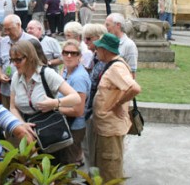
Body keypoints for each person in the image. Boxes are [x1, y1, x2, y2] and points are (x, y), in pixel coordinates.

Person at [9, 40, 81, 165]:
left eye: (18, 60)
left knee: (57, 173)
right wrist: (22, 124)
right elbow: (13, 107)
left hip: (52, 134)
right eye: (12, 60)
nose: (15, 64)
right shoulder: (16, 76)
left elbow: (76, 98)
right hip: (29, 136)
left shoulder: (46, 73)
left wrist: (55, 103)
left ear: (30, 57)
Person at [92, 33, 141, 182]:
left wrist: (117, 105)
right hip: (106, 127)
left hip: (110, 128)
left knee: (110, 170)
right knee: (105, 167)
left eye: (98, 48)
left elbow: (135, 88)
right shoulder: (112, 64)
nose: (96, 51)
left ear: (105, 50)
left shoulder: (116, 67)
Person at [60, 40, 91, 167]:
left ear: (79, 56)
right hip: (67, 123)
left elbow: (78, 110)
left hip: (74, 126)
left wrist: (54, 107)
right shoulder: (67, 70)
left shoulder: (78, 78)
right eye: (66, 52)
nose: (69, 56)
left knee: (69, 163)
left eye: (73, 53)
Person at [0, 15, 37, 108]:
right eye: (5, 29)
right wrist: (0, 74)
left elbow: (38, 65)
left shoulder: (32, 41)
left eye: (9, 29)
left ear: (18, 25)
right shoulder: (3, 42)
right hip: (6, 90)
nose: (6, 32)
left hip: (25, 91)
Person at [82, 23, 107, 168]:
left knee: (93, 149)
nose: (85, 42)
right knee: (87, 148)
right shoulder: (94, 57)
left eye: (88, 39)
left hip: (95, 113)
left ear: (99, 38)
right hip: (88, 110)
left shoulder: (105, 61)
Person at [105, 13, 138, 78]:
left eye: (107, 25)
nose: (105, 28)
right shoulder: (107, 42)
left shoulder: (129, 45)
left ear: (118, 25)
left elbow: (132, 73)